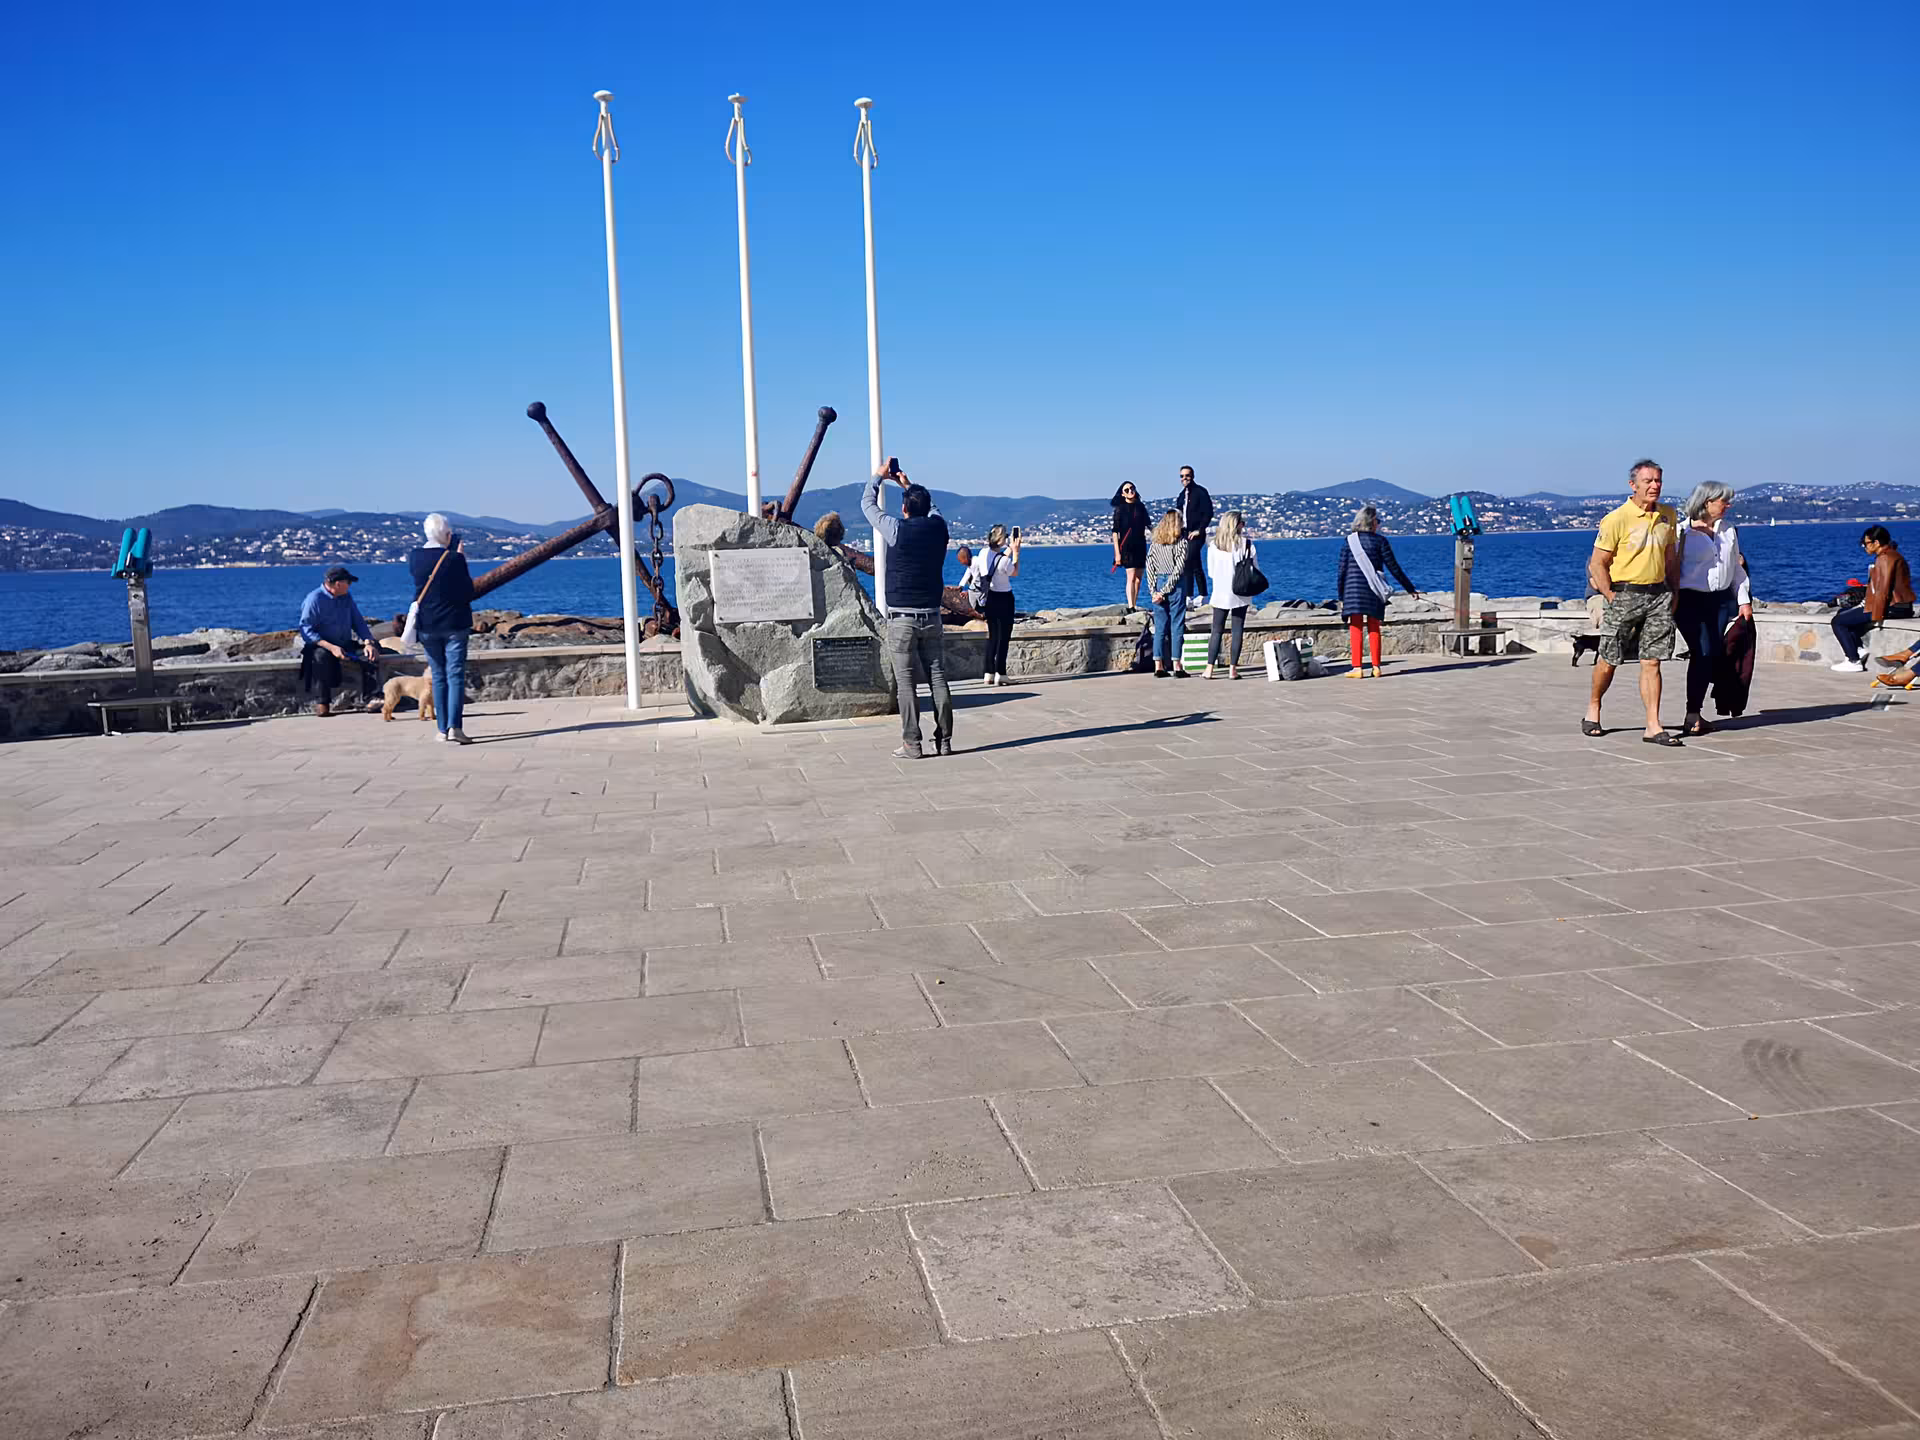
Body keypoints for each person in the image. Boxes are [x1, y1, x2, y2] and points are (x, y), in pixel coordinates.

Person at [1584, 458, 1683, 745]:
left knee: (1652, 661)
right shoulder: (1616, 519)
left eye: (1658, 481)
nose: (1655, 486)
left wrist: (1674, 591)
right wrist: (1610, 596)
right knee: (1609, 659)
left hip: (1658, 595)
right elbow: (1598, 563)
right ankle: (1594, 707)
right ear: (1633, 485)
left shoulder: (1668, 515)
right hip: (1625, 594)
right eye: (1648, 481)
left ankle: (1653, 724)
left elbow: (1670, 558)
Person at [862, 463, 953, 758]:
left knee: (906, 684)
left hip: (902, 617)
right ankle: (945, 741)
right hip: (932, 615)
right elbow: (934, 508)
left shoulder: (896, 528)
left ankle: (911, 743)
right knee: (937, 678)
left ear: (904, 509)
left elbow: (867, 504)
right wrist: (907, 484)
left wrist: (878, 476)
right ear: (926, 508)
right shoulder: (939, 527)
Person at [1672, 482, 1753, 736]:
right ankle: (1692, 713)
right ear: (1706, 502)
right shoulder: (1681, 532)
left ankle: (1697, 710)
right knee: (1703, 652)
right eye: (1723, 500)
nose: (1727, 505)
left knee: (1713, 654)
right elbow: (1670, 569)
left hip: (1720, 601)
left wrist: (1744, 599)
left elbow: (1736, 567)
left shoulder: (1728, 530)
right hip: (1689, 600)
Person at [409, 513, 477, 744]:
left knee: (438, 675)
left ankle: (441, 729)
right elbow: (468, 592)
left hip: (427, 625)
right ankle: (455, 727)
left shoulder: (415, 557)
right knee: (455, 674)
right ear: (447, 535)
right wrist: (461, 557)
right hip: (455, 624)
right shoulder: (454, 559)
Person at [1336, 505, 1419, 679]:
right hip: (1374, 590)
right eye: (1378, 521)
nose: (1379, 524)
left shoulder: (1348, 541)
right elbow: (1394, 567)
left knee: (1355, 627)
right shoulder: (1380, 541)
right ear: (1371, 522)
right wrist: (1410, 588)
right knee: (1374, 626)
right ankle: (1376, 667)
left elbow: (1341, 570)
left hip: (1353, 590)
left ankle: (1357, 668)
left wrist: (1341, 595)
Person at [298, 566, 381, 717]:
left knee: (371, 654)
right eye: (348, 582)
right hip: (323, 644)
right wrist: (331, 647)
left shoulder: (346, 597)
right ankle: (322, 703)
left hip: (345, 642)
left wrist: (368, 642)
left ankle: (373, 698)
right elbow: (306, 630)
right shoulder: (314, 599)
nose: (350, 586)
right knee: (320, 657)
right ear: (338, 584)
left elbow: (358, 621)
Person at [1831, 525, 1914, 672]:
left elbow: (1883, 589)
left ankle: (1853, 661)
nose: (1864, 547)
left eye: (1866, 543)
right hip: (1899, 606)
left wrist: (1876, 615)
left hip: (1893, 608)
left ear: (1876, 543)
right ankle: (1858, 650)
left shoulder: (1885, 558)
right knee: (1842, 614)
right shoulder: (1891, 555)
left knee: (1837, 622)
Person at [1204, 510, 1257, 679]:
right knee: (1237, 630)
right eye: (1243, 522)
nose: (1245, 525)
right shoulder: (1247, 544)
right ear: (1237, 524)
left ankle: (1209, 669)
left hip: (1220, 592)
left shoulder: (1214, 545)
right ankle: (1233, 669)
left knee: (1216, 630)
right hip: (1240, 592)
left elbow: (1211, 572)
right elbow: (1255, 568)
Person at [966, 524, 1021, 687]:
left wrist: (1010, 549)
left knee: (993, 636)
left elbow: (996, 561)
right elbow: (1014, 571)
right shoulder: (1004, 561)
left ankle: (989, 673)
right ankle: (1001, 674)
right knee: (1004, 637)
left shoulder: (983, 553)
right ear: (1003, 540)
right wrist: (1016, 553)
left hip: (989, 599)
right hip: (1004, 599)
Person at [1144, 509, 1191, 678]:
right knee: (1177, 625)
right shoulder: (1181, 543)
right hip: (1176, 587)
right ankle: (1177, 665)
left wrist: (1154, 591)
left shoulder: (1155, 543)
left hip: (1159, 583)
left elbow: (1149, 566)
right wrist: (1164, 591)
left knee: (1160, 627)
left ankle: (1159, 665)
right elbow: (1178, 571)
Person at [1110, 482, 1150, 610]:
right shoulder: (1120, 509)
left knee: (1139, 578)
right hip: (1127, 546)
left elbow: (1148, 524)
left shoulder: (1141, 507)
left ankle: (1135, 603)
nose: (1130, 491)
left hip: (1140, 544)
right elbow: (1115, 532)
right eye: (1126, 490)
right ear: (1122, 494)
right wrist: (1117, 553)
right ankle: (1131, 605)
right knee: (1131, 577)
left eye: (1132, 488)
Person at [1177, 465, 1213, 603]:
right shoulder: (1181, 495)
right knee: (1195, 564)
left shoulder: (1200, 492)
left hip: (1197, 533)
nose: (1184, 478)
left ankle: (1188, 596)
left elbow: (1208, 512)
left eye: (1187, 475)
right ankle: (1203, 595)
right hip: (1184, 533)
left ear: (1192, 476)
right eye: (1182, 476)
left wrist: (1200, 529)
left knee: (1187, 561)